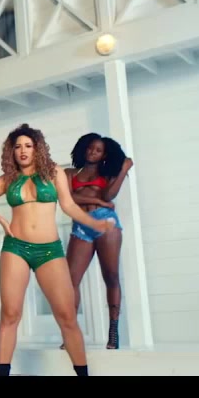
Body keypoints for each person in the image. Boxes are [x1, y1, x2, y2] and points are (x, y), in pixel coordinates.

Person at [0, 124, 115, 377]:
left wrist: (95, 224)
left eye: (28, 146)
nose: (23, 151)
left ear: (37, 148)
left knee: (67, 316)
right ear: (11, 151)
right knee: (10, 314)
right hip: (15, 248)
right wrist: (2, 220)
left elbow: (69, 206)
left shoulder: (54, 172)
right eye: (18, 147)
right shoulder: (8, 179)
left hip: (49, 250)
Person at [63, 133, 133, 350]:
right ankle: (70, 333)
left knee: (111, 276)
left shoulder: (108, 173)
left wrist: (123, 169)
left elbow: (109, 196)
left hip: (105, 223)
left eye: (98, 150)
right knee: (69, 281)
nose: (93, 152)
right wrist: (96, 199)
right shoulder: (69, 173)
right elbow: (69, 198)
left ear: (104, 155)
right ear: (83, 148)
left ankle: (113, 331)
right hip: (80, 226)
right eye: (90, 147)